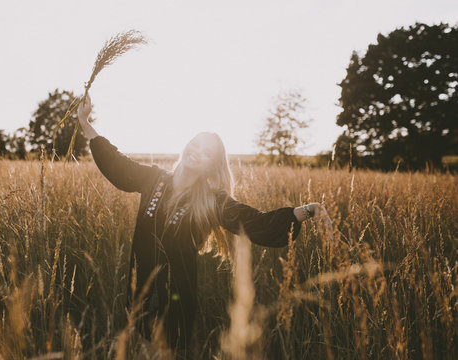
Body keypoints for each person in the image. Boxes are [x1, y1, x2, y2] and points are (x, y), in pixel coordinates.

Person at [77, 95, 325, 359]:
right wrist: (85, 121)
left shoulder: (211, 201)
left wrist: (305, 211)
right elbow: (116, 163)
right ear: (186, 145)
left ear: (211, 164)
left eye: (207, 153)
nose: (198, 152)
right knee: (142, 351)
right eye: (196, 144)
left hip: (176, 295)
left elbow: (255, 222)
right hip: (141, 289)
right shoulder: (153, 179)